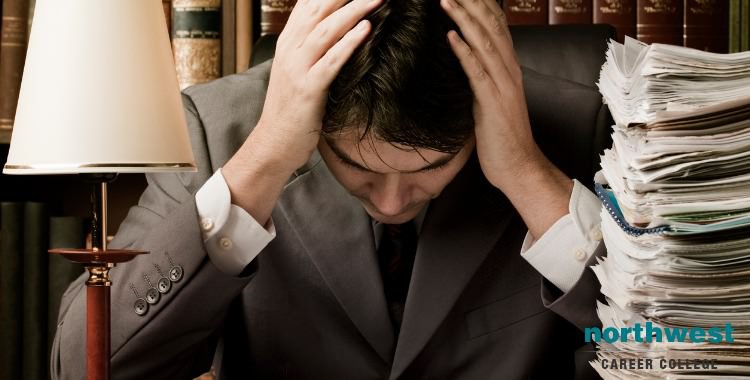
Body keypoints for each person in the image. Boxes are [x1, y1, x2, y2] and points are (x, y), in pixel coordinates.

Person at [52, 0, 605, 378]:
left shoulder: (591, 130)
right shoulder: (216, 129)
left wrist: (529, 176)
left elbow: (684, 351)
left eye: (429, 168)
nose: (390, 203)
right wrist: (264, 160)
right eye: (356, 166)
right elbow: (83, 367)